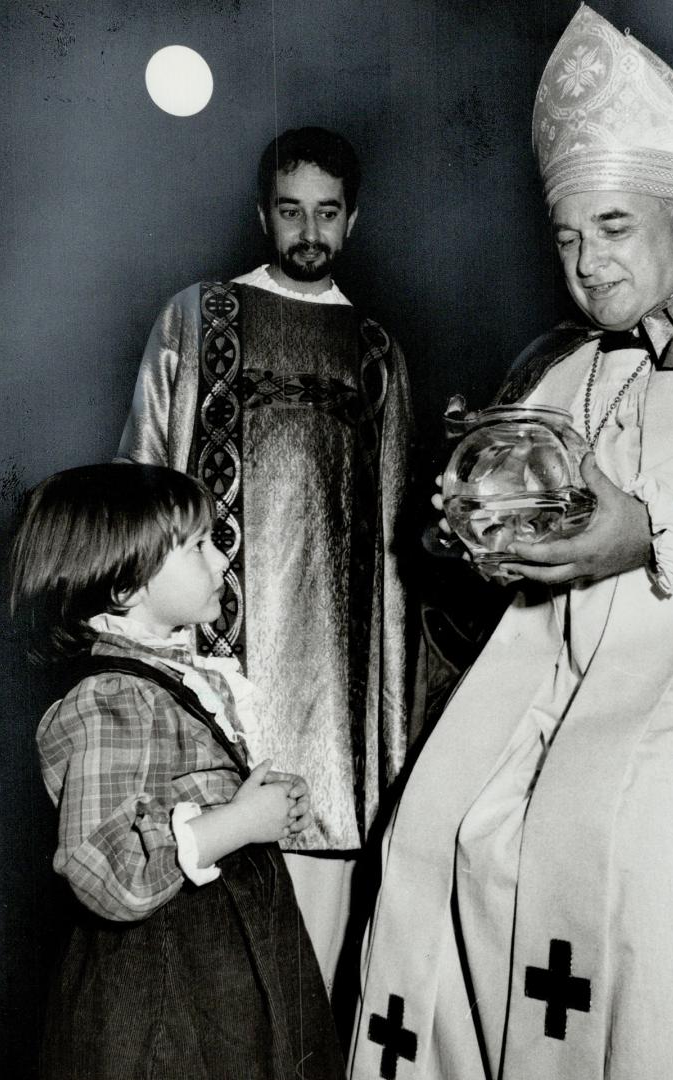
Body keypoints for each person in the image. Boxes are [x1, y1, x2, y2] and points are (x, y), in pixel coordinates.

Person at [349, 7, 673, 1080]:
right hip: (563, 677)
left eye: (614, 228)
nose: (589, 265)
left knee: (635, 859)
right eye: (566, 237)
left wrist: (660, 527)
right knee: (430, 836)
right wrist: (477, 535)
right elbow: (519, 517)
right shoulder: (566, 368)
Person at [116, 126, 414, 990]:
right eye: (291, 212)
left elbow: (395, 555)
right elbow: (138, 499)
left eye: (327, 213)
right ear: (262, 214)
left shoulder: (377, 352)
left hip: (334, 731)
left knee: (309, 990)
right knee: (204, 991)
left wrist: (387, 743)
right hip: (206, 706)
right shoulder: (196, 317)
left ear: (353, 221)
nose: (309, 233)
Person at [9, 462, 345, 1080]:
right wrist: (240, 821)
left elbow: (176, 804)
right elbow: (105, 868)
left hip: (213, 978)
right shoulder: (114, 697)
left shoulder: (162, 681)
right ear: (124, 587)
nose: (222, 561)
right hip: (167, 999)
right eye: (197, 547)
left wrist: (256, 809)